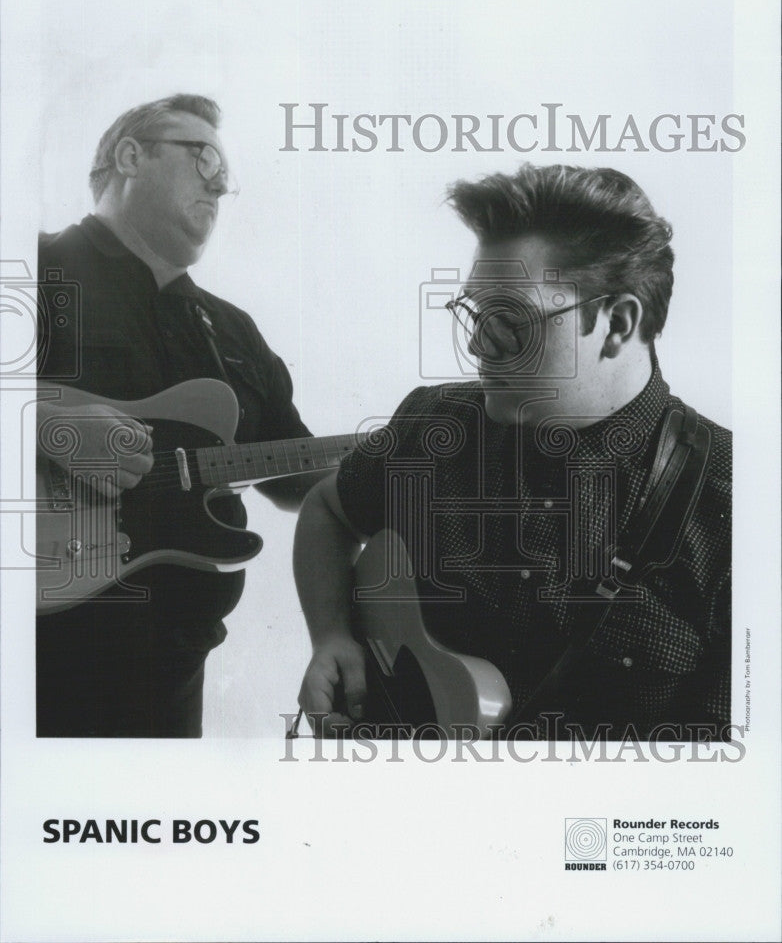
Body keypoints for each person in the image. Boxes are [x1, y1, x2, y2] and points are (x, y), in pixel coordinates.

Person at [294, 164, 731, 742]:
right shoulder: (433, 422)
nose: (477, 344)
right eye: (476, 312)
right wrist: (330, 635)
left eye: (510, 319)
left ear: (617, 324)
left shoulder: (741, 506)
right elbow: (328, 509)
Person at [37, 93, 323, 737]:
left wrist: (400, 458)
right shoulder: (34, 266)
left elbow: (295, 475)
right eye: (204, 158)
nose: (222, 185)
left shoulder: (231, 329)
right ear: (130, 156)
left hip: (169, 669)